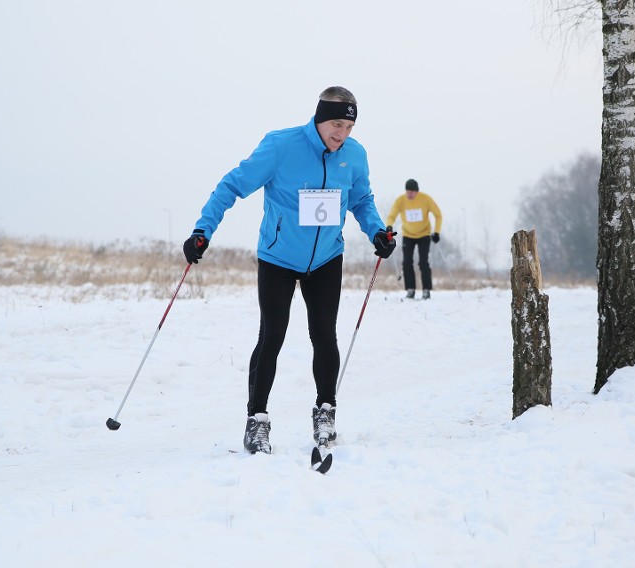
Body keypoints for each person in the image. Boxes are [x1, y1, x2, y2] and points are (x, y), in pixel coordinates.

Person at [182, 86, 396, 454]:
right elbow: (232, 185)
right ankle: (257, 420)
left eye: (348, 126)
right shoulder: (281, 146)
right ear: (318, 118)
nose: (341, 133)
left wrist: (376, 230)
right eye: (335, 124)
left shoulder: (354, 155)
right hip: (278, 259)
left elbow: (361, 199)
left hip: (327, 258)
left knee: (324, 336)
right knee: (272, 337)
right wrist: (203, 230)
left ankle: (325, 412)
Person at [385, 178, 443, 299]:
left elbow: (438, 215)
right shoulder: (401, 200)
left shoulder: (425, 199)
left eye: (412, 192)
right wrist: (389, 226)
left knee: (423, 262)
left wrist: (436, 232)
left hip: (424, 234)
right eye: (407, 192)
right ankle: (410, 289)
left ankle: (426, 290)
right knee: (406, 262)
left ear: (417, 191)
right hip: (408, 235)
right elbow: (392, 215)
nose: (409, 194)